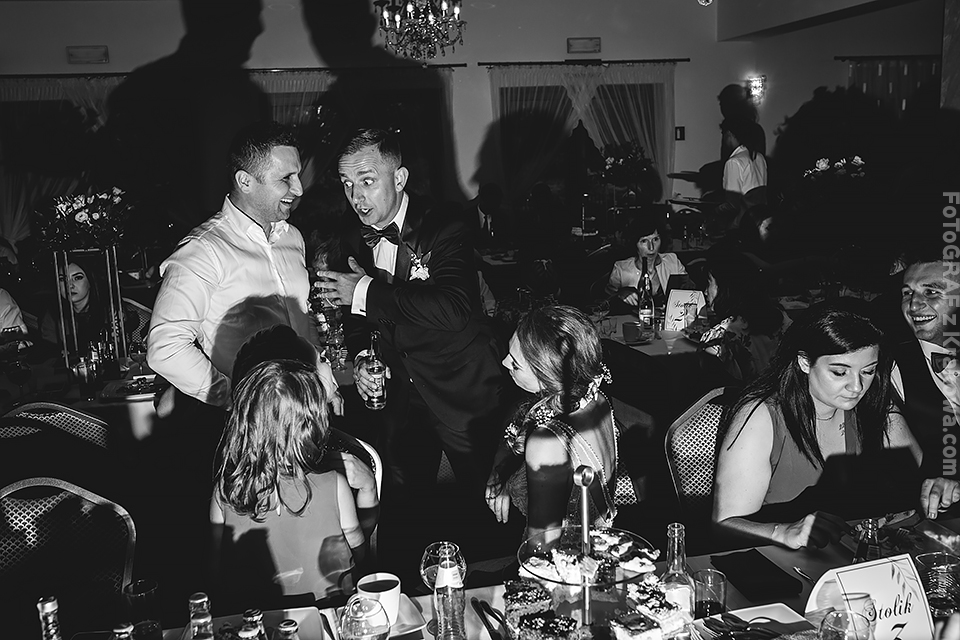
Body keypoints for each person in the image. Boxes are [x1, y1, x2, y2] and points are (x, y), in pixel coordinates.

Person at [316, 128, 503, 496]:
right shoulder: (352, 236)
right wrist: (362, 355)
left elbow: (454, 310)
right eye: (347, 183)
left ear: (399, 179)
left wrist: (365, 290)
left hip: (460, 389)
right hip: (399, 396)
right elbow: (356, 315)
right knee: (404, 504)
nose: (356, 196)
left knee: (485, 498)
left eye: (367, 181)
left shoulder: (445, 225)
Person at [147, 120, 340, 414]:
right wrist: (234, 398)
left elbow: (302, 322)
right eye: (286, 178)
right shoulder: (203, 250)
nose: (299, 189)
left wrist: (325, 385)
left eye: (298, 175)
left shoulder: (292, 237)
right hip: (246, 419)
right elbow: (166, 347)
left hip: (304, 409)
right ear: (245, 182)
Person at [713, 303, 921, 549]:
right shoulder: (762, 417)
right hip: (779, 562)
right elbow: (724, 526)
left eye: (868, 371)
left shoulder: (876, 408)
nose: (856, 387)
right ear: (804, 362)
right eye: (840, 372)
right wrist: (782, 532)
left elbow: (916, 492)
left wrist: (938, 488)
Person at [210, 356, 378, 610]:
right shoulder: (334, 484)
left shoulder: (225, 491)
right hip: (328, 613)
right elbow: (359, 552)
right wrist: (368, 489)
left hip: (253, 618)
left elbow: (215, 570)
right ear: (311, 425)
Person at [484, 305, 617, 539]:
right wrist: (502, 473)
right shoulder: (595, 399)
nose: (504, 362)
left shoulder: (547, 441)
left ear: (547, 376)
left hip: (564, 557)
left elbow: (542, 541)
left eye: (515, 364)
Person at [892, 247, 960, 517]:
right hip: (933, 520)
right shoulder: (889, 367)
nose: (913, 305)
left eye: (931, 292)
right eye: (907, 293)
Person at [696, 250, 792, 383]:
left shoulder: (719, 337)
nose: (705, 292)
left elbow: (713, 388)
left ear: (725, 287)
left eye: (709, 284)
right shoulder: (781, 318)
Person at [605, 215, 686, 309]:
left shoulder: (673, 261)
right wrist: (619, 294)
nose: (651, 247)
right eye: (644, 241)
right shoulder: (621, 269)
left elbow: (690, 292)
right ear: (635, 243)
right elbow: (605, 303)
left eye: (655, 239)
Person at [718, 117, 767, 229]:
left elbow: (732, 204)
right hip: (760, 221)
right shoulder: (760, 158)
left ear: (729, 134)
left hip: (741, 224)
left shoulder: (734, 162)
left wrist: (714, 211)